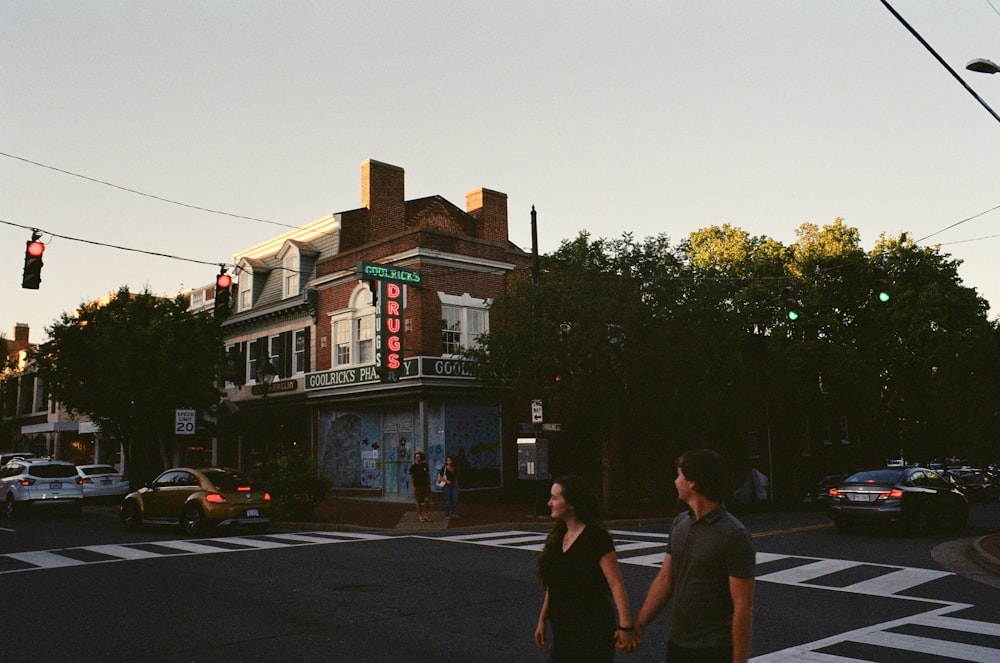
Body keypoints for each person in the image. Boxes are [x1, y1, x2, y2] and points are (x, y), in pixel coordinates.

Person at [624, 449, 755, 662]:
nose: (676, 481)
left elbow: (743, 606)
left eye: (679, 475)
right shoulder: (680, 523)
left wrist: (739, 660)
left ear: (692, 482)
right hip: (678, 646)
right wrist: (638, 626)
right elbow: (665, 580)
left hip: (714, 649)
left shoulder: (734, 535)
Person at [534, 475, 635, 662]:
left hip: (592, 632)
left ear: (572, 504)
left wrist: (626, 626)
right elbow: (553, 585)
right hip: (563, 633)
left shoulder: (596, 538)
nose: (549, 503)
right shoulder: (558, 537)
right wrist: (542, 620)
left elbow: (616, 584)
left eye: (555, 498)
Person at [409, 451, 431, 522]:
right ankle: (420, 515)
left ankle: (426, 514)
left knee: (427, 500)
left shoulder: (425, 466)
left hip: (425, 485)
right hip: (418, 486)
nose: (417, 458)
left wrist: (429, 484)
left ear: (421, 457)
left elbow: (428, 475)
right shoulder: (413, 467)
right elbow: (411, 477)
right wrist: (413, 486)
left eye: (418, 457)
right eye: (416, 457)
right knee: (418, 501)